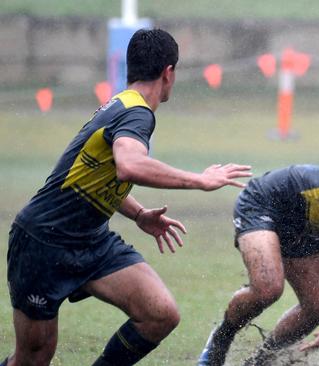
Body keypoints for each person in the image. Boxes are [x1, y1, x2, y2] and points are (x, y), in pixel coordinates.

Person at [2, 28, 251, 366]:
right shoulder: (136, 113)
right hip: (44, 241)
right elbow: (129, 165)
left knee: (159, 313)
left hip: (91, 240)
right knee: (33, 359)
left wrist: (137, 214)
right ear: (168, 72)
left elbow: (95, 173)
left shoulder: (121, 105)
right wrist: (201, 180)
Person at [197, 164, 319, 366]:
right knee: (268, 288)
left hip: (301, 223)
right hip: (262, 202)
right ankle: (221, 339)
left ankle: (261, 361)